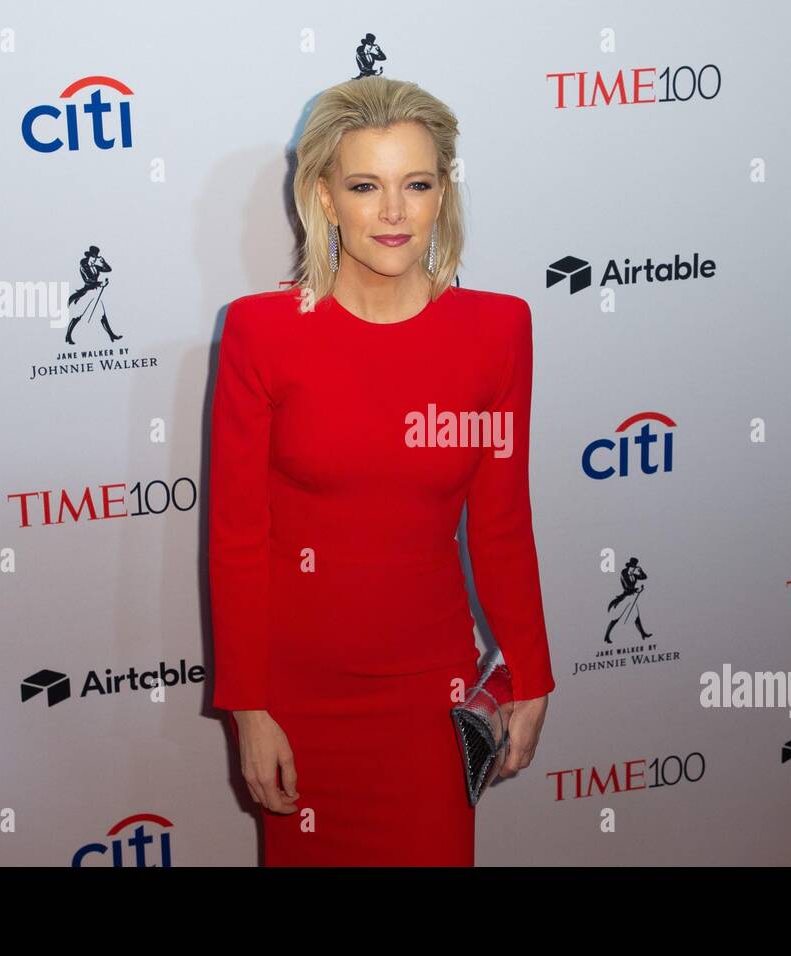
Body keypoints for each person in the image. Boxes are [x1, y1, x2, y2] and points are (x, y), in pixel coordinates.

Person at [207, 76, 556, 866]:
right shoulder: (263, 333)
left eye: (417, 184)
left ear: (443, 194)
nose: (394, 213)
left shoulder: (497, 331)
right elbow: (237, 538)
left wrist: (532, 673)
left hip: (430, 698)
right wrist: (249, 711)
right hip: (299, 696)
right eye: (366, 186)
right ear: (325, 198)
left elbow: (500, 523)